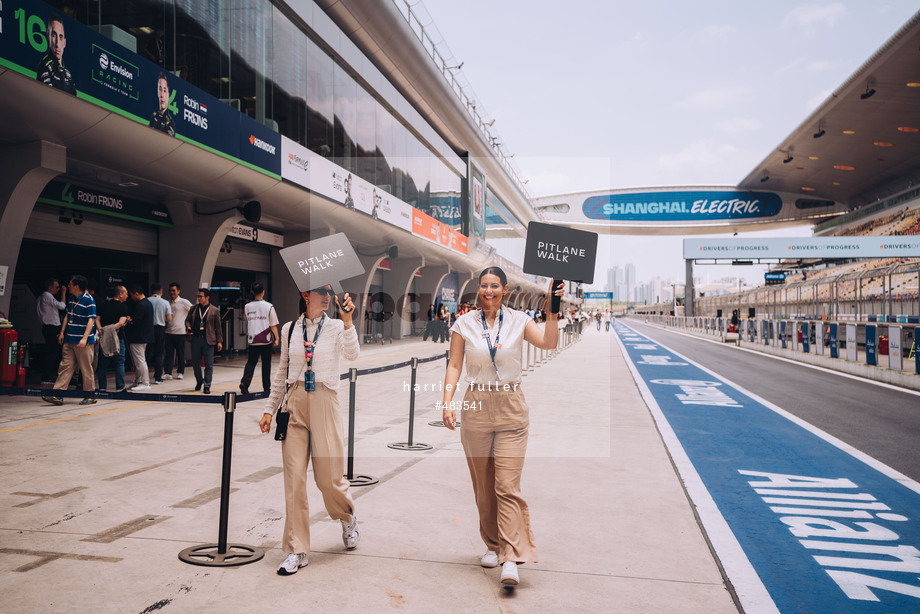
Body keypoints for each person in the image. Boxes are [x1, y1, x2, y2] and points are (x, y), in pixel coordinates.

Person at [440, 268, 563, 587]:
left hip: (511, 406)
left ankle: (510, 556)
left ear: (505, 289)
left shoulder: (520, 320)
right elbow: (454, 364)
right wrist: (447, 400)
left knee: (507, 485)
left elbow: (549, 343)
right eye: (484, 286)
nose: (489, 291)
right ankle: (492, 544)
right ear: (478, 290)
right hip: (476, 404)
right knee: (483, 485)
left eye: (495, 286)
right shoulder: (463, 323)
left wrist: (553, 310)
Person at [259, 286, 360, 575]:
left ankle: (347, 515)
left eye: (330, 292)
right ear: (306, 295)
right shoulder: (291, 329)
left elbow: (352, 355)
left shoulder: (338, 326)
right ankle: (296, 549)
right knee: (294, 480)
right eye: (320, 291)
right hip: (294, 404)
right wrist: (269, 409)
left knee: (329, 479)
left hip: (325, 401)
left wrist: (349, 320)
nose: (327, 296)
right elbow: (282, 372)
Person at [41, 276, 97, 406]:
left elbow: (91, 320)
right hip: (69, 339)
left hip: (83, 342)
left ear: (77, 286)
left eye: (70, 284)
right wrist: (62, 332)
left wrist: (84, 338)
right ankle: (58, 394)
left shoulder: (89, 300)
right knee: (65, 366)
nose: (68, 286)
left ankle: (90, 395)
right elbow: (67, 315)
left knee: (86, 368)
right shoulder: (72, 299)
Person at [239, 282, 279, 395]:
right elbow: (273, 325)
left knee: (251, 362)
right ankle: (266, 388)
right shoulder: (269, 306)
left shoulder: (247, 307)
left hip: (253, 340)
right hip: (266, 340)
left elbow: (247, 319)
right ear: (263, 292)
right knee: (266, 364)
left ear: (252, 292)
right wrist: (276, 339)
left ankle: (245, 383)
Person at [185, 288, 222, 394]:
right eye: (198, 296)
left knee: (209, 364)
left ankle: (207, 385)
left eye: (201, 296)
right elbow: (187, 320)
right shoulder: (193, 308)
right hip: (195, 339)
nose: (199, 298)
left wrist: (219, 341)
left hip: (208, 340)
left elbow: (218, 327)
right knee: (196, 363)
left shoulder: (214, 310)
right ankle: (199, 381)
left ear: (207, 298)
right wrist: (188, 327)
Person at [96, 285, 128, 392]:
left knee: (103, 363)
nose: (127, 296)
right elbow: (121, 322)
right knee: (119, 362)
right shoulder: (123, 307)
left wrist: (102, 329)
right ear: (120, 294)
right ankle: (120, 387)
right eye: (125, 293)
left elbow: (97, 319)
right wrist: (110, 329)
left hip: (104, 338)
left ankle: (102, 387)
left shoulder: (103, 305)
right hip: (118, 337)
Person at [36, 13, 76, 95]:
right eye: (54, 35)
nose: (57, 44)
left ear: (64, 42)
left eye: (61, 37)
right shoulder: (45, 65)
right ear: (48, 35)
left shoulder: (68, 75)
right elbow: (49, 98)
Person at [36, 277, 67, 383]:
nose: (58, 289)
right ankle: (46, 377)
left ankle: (47, 375)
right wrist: (63, 293)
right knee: (52, 353)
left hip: (46, 326)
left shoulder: (41, 297)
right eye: (57, 287)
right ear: (50, 287)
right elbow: (62, 306)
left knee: (50, 351)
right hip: (52, 326)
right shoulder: (48, 296)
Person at [125, 286, 154, 391]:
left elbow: (137, 321)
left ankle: (145, 383)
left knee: (140, 361)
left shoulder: (141, 305)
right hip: (144, 336)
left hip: (138, 337)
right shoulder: (148, 303)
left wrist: (129, 320)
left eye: (132, 295)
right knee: (139, 360)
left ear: (136, 293)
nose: (131, 297)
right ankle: (138, 380)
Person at [163, 282, 192, 380]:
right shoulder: (167, 302)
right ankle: (168, 372)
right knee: (169, 354)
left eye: (173, 290)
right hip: (168, 332)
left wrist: (189, 325)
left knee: (180, 353)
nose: (171, 292)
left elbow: (193, 311)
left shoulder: (184, 302)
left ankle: (180, 372)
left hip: (180, 332)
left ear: (178, 291)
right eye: (170, 291)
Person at [147, 283, 172, 384]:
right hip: (160, 329)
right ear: (161, 291)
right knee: (159, 354)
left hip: (148, 329)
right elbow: (169, 318)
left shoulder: (146, 301)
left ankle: (143, 377)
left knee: (146, 354)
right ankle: (158, 378)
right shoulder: (165, 302)